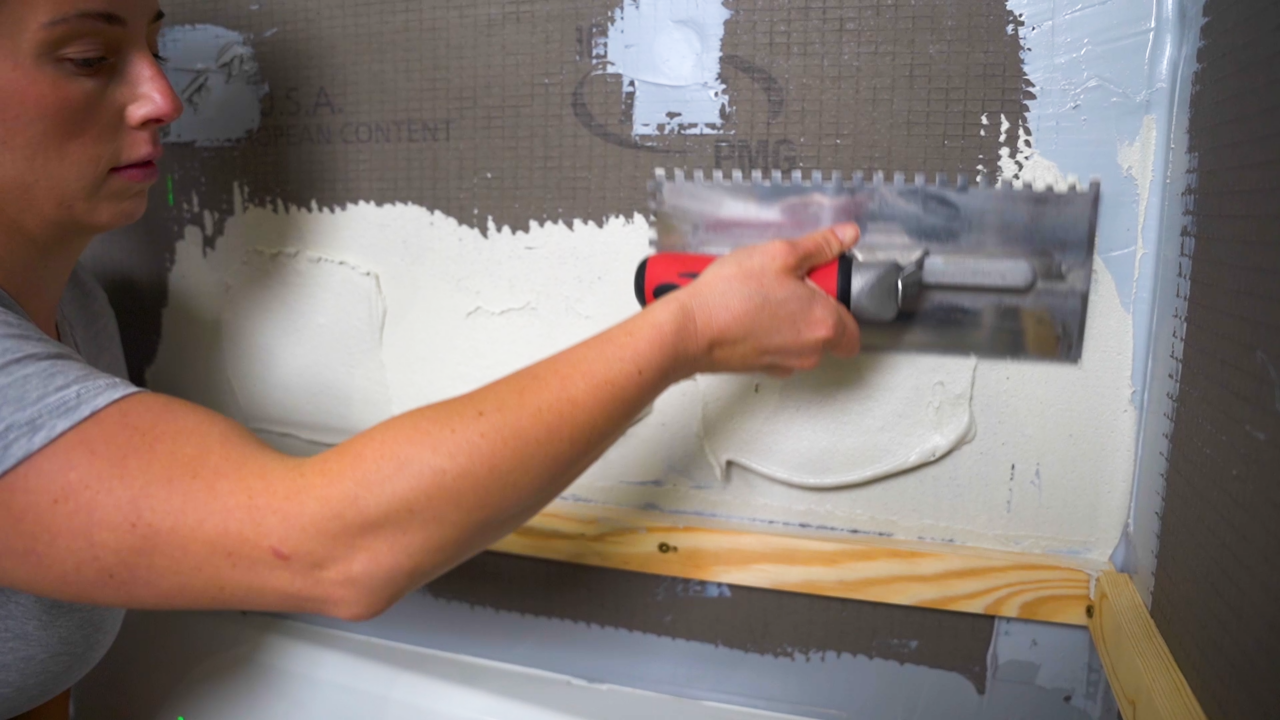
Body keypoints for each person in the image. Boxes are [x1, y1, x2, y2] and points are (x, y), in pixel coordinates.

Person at [0, 1, 861, 717]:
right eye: (87, 57)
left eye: (154, 46)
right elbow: (325, 548)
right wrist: (689, 333)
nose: (162, 97)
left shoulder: (78, 312)